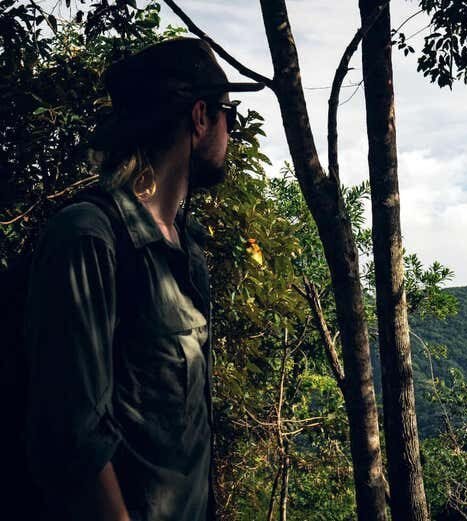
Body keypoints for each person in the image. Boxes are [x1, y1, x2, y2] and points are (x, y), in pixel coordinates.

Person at [24, 37, 264, 521]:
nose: (230, 132)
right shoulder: (90, 239)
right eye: (228, 116)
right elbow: (74, 439)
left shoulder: (187, 250)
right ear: (200, 117)